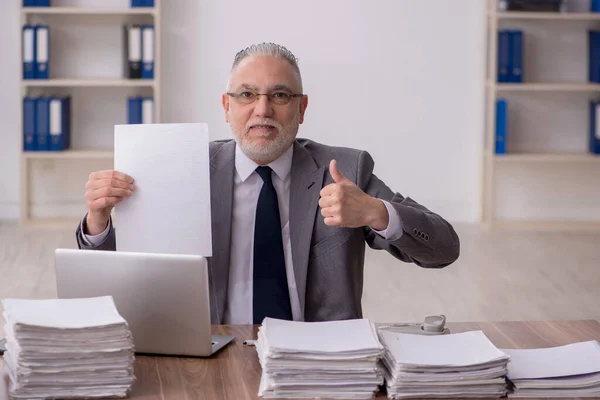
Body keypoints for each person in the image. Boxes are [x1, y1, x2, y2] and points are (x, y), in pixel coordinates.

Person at [76, 42, 460, 325]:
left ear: (301, 108)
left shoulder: (344, 169)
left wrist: (376, 212)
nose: (262, 110)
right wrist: (98, 221)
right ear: (227, 107)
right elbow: (117, 277)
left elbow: (443, 248)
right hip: (211, 350)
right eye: (246, 95)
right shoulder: (182, 166)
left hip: (319, 359)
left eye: (279, 95)